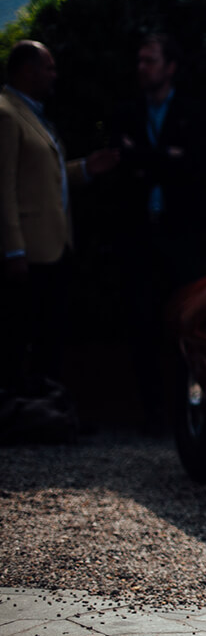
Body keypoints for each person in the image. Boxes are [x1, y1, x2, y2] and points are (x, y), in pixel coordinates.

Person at [0, 40, 119, 415]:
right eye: (48, 68)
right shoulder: (5, 114)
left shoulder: (32, 113)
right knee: (24, 333)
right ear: (26, 71)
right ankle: (23, 413)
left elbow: (43, 178)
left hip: (54, 245)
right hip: (31, 250)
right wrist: (13, 248)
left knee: (49, 331)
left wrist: (85, 169)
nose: (54, 75)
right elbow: (2, 187)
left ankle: (44, 411)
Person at [108, 33, 206, 428]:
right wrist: (166, 159)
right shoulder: (126, 113)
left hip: (180, 232)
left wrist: (143, 157)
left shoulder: (191, 112)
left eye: (150, 61)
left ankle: (186, 405)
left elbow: (194, 168)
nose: (142, 68)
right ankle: (152, 410)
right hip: (139, 233)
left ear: (170, 67)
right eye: (139, 61)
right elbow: (124, 166)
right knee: (141, 319)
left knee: (186, 318)